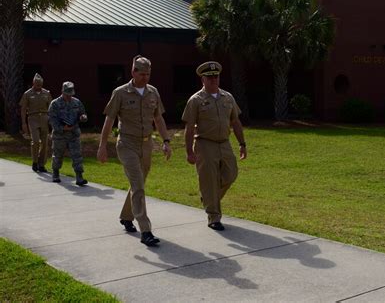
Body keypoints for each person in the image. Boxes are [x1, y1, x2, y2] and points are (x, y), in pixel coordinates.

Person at [97, 55, 172, 247]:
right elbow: (109, 120)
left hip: (147, 144)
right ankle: (145, 230)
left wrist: (166, 141)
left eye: (148, 74)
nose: (146, 78)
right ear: (133, 72)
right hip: (127, 144)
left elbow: (159, 119)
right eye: (142, 74)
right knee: (138, 185)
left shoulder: (153, 92)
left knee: (138, 183)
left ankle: (126, 216)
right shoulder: (120, 93)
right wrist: (102, 146)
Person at [182, 61, 247, 231]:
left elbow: (235, 121)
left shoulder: (228, 97)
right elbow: (189, 128)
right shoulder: (195, 100)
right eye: (209, 77)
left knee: (231, 174)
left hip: (224, 143)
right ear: (202, 79)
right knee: (209, 180)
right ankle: (213, 217)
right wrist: (189, 151)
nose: (213, 80)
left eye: (216, 77)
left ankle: (209, 198)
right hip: (205, 144)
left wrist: (242, 143)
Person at [48, 81, 88, 185]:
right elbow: (52, 120)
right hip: (59, 135)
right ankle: (56, 173)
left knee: (77, 155)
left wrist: (83, 117)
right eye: (67, 94)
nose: (69, 97)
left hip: (74, 134)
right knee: (58, 155)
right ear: (62, 92)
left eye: (71, 95)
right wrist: (62, 128)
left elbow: (82, 113)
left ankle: (79, 177)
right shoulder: (55, 104)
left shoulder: (77, 102)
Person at [19, 73, 52, 172]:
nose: (39, 87)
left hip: (44, 118)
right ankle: (35, 161)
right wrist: (23, 123)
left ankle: (41, 164)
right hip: (33, 118)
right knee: (36, 141)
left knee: (45, 143)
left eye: (40, 85)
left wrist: (52, 121)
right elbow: (23, 109)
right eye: (37, 85)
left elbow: (51, 108)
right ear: (33, 83)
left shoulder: (46, 93)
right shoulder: (27, 94)